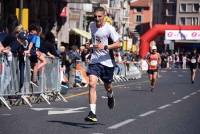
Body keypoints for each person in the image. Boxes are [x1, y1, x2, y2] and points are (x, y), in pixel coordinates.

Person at [84, 7, 121, 122]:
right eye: (95, 16)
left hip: (107, 62)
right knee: (91, 84)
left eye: (99, 16)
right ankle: (92, 113)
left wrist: (106, 47)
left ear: (104, 16)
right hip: (95, 60)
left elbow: (118, 44)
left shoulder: (109, 29)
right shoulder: (91, 25)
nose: (97, 18)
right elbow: (94, 39)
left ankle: (110, 96)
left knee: (108, 86)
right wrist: (89, 45)